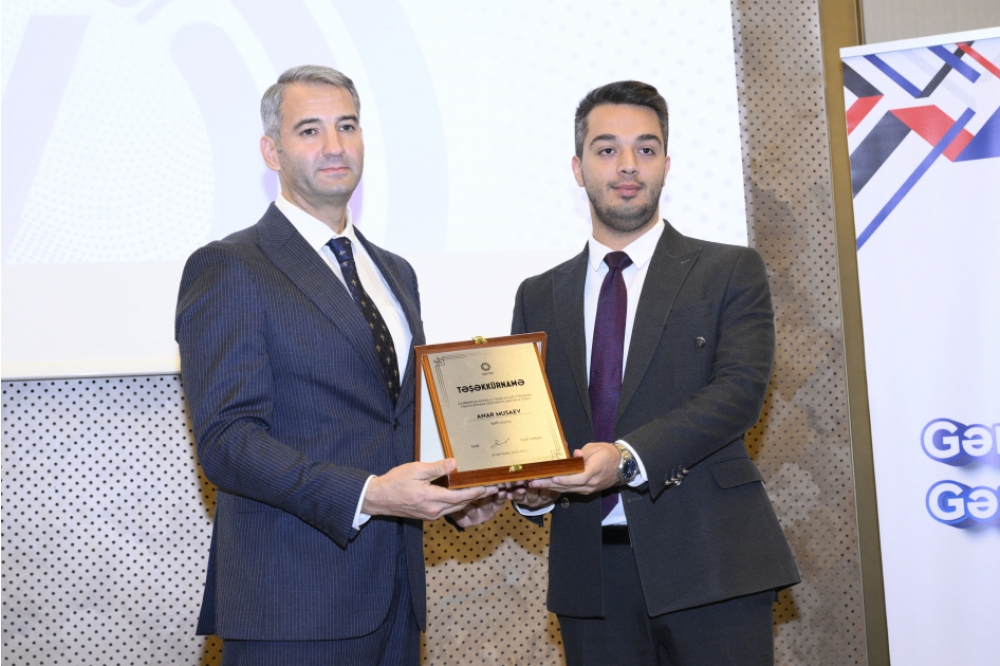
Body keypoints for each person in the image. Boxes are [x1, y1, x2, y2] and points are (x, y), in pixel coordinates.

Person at [175, 65, 503, 666]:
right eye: (310, 130)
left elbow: (395, 421)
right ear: (271, 151)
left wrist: (457, 494)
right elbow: (227, 441)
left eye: (347, 126)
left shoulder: (394, 271)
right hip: (292, 608)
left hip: (397, 600)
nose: (334, 146)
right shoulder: (231, 265)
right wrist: (369, 494)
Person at [509, 80, 800, 665]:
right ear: (577, 167)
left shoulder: (730, 270)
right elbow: (530, 424)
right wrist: (531, 484)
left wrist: (624, 458)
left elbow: (739, 394)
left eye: (645, 149)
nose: (627, 165)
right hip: (590, 574)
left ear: (666, 165)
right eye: (606, 149)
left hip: (713, 561)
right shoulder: (537, 295)